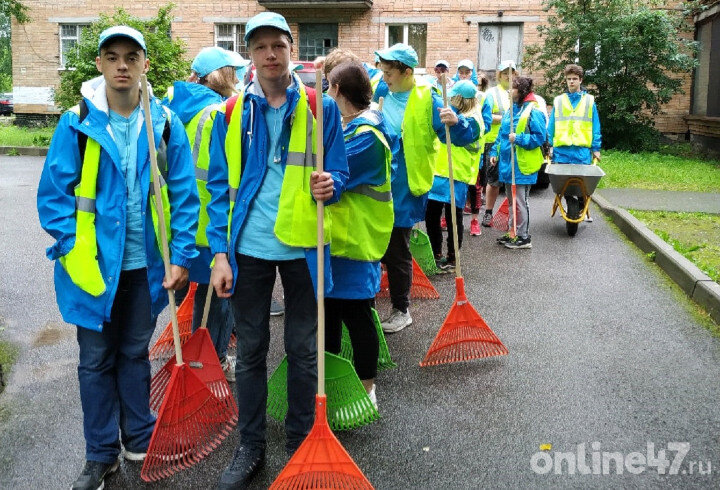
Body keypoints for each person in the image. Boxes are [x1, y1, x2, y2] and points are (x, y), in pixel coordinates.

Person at [37, 26, 199, 490]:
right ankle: (100, 454)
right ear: (101, 65)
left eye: (131, 56)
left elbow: (185, 197)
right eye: (112, 57)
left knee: (133, 354)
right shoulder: (78, 123)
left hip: (145, 266)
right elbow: (54, 197)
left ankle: (139, 438)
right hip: (91, 270)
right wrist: (71, 245)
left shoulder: (164, 124)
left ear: (145, 64)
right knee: (94, 361)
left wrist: (182, 257)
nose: (122, 65)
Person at [205, 12, 348, 489]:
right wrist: (220, 254)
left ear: (292, 49)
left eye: (278, 45)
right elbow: (218, 189)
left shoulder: (319, 108)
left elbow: (341, 173)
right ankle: (250, 447)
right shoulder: (229, 113)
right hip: (248, 248)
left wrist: (333, 183)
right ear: (249, 54)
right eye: (260, 46)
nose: (270, 54)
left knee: (304, 350)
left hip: (304, 246)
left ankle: (300, 441)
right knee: (249, 352)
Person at [374, 43, 477, 333]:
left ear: (407, 72)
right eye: (382, 72)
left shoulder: (426, 99)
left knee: (396, 249)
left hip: (406, 185)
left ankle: (401, 309)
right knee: (371, 247)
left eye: (390, 73)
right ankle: (366, 307)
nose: (384, 78)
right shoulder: (380, 92)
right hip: (375, 184)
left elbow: (459, 137)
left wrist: (458, 123)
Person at [163, 47, 246, 382]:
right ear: (221, 75)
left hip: (178, 219)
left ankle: (188, 356)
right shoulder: (217, 113)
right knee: (218, 294)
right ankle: (211, 361)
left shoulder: (170, 107)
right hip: (210, 219)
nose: (239, 79)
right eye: (234, 73)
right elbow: (225, 172)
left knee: (184, 286)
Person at [325, 60, 396, 407]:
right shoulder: (348, 126)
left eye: (328, 86)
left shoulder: (367, 135)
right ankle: (333, 385)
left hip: (357, 243)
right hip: (334, 242)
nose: (325, 92)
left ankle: (367, 390)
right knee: (329, 316)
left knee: (357, 316)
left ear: (337, 90)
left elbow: (332, 174)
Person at [426, 80, 487, 271]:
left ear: (460, 99)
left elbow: (469, 133)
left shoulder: (475, 118)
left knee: (454, 217)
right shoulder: (450, 111)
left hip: (457, 172)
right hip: (438, 169)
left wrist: (457, 121)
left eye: (454, 96)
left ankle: (453, 258)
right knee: (432, 214)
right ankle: (435, 253)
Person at [489, 76, 546, 249]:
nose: (509, 91)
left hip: (522, 165)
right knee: (512, 201)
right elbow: (501, 135)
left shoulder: (533, 111)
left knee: (521, 202)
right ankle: (512, 232)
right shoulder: (511, 110)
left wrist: (519, 138)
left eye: (512, 88)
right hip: (508, 164)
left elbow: (540, 137)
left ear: (520, 91)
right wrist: (494, 152)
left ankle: (524, 237)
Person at [547, 63, 602, 219]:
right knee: (563, 185)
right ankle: (572, 203)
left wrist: (596, 148)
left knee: (582, 186)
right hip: (561, 150)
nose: (571, 82)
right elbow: (551, 125)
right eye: (569, 79)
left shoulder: (589, 101)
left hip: (581, 151)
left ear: (580, 80)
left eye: (575, 79)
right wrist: (548, 145)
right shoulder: (558, 101)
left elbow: (595, 126)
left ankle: (580, 205)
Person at [481, 59, 515, 227]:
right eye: (504, 73)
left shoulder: (518, 92)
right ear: (499, 75)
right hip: (493, 142)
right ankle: (488, 213)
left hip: (513, 143)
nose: (508, 76)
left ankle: (513, 215)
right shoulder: (491, 93)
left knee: (511, 180)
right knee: (493, 180)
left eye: (511, 72)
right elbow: (485, 116)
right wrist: (506, 120)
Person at [466, 69, 491, 234]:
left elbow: (487, 123)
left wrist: (470, 131)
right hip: (455, 151)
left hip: (474, 150)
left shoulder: (483, 99)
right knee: (452, 186)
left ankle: (474, 220)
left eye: (478, 84)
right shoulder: (455, 94)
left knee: (475, 187)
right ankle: (446, 218)